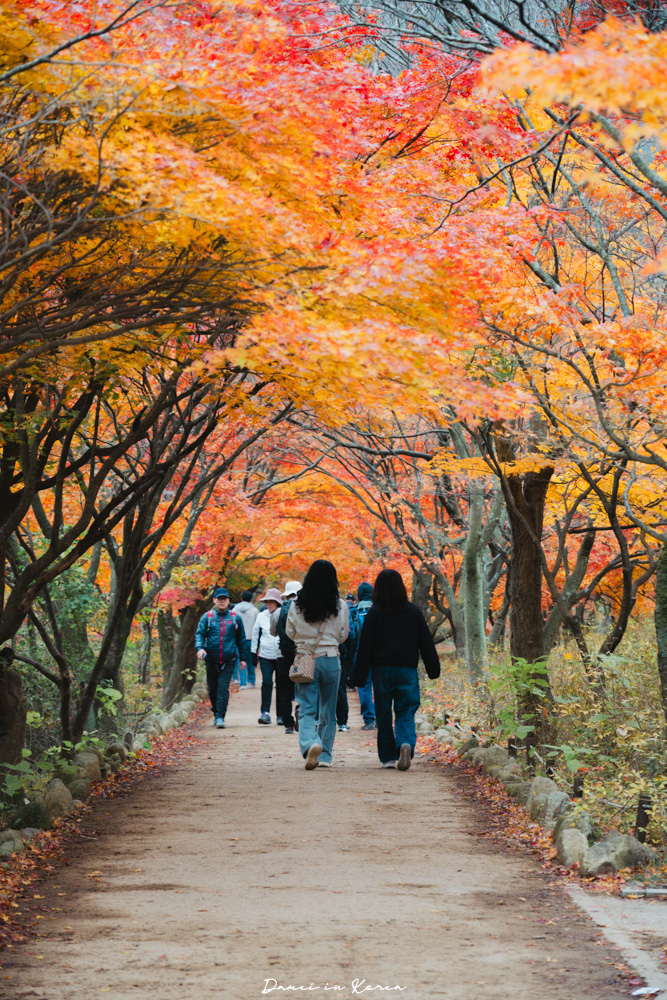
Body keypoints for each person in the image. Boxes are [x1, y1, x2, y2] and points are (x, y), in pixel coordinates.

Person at [353, 568, 440, 770]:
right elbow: (426, 642)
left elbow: (366, 646)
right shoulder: (413, 612)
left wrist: (359, 675)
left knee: (383, 713)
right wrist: (433, 668)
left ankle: (387, 758)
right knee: (406, 710)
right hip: (407, 670)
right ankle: (405, 743)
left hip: (381, 671)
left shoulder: (374, 613)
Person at [286, 559, 349, 770]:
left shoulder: (296, 605)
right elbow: (343, 636)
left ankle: (311, 743)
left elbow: (290, 633)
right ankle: (326, 756)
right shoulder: (341, 605)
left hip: (306, 659)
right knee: (329, 710)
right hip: (331, 659)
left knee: (306, 709)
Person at [195, 587, 250, 729]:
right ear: (214, 600)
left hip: (229, 659)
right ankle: (216, 711)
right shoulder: (207, 617)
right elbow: (199, 634)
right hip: (211, 659)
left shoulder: (235, 617)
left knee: (223, 688)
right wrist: (200, 648)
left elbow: (241, 639)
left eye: (224, 599)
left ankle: (220, 717)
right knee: (213, 689)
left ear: (228, 601)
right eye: (219, 599)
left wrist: (243, 658)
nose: (222, 601)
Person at [270, 580, 301, 733]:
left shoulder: (277, 612)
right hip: (301, 654)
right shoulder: (306, 610)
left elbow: (273, 632)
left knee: (284, 690)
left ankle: (288, 723)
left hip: (282, 655)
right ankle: (301, 708)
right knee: (303, 685)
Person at [251, 588, 283, 724]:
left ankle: (281, 714)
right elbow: (255, 634)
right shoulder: (261, 615)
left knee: (281, 685)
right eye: (267, 602)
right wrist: (253, 652)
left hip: (281, 656)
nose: (269, 604)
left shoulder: (283, 614)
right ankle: (265, 712)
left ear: (277, 603)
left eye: (272, 602)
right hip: (265, 655)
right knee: (267, 683)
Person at [350, 582, 375, 730]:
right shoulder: (378, 609)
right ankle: (381, 718)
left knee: (364, 686)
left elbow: (351, 635)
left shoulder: (354, 611)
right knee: (379, 686)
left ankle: (369, 719)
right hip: (378, 654)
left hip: (360, 653)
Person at [233, 590, 259, 687]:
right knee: (250, 660)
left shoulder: (234, 610)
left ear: (241, 598)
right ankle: (251, 681)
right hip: (251, 638)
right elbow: (257, 626)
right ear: (251, 599)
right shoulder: (255, 611)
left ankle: (242, 682)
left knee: (240, 659)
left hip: (238, 639)